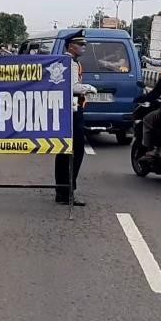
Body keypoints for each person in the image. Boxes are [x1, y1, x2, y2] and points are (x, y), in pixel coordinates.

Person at [55, 30, 96, 205]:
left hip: (69, 110)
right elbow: (71, 87)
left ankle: (63, 191)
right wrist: (88, 88)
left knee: (65, 151)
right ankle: (67, 191)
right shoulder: (69, 63)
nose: (83, 47)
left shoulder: (71, 62)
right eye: (81, 44)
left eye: (84, 44)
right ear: (71, 46)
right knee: (74, 151)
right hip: (72, 111)